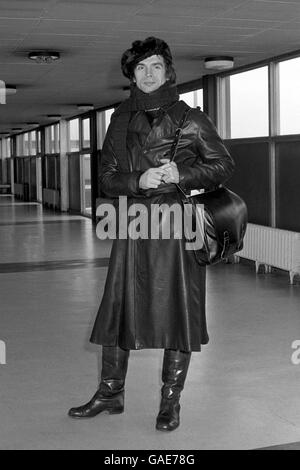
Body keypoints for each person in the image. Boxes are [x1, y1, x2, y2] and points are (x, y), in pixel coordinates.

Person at [68, 37, 235, 431]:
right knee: (118, 309)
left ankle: (170, 402)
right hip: (132, 224)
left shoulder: (190, 118)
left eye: (155, 66)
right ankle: (110, 393)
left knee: (179, 312)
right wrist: (138, 179)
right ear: (132, 74)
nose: (148, 74)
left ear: (168, 71)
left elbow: (223, 166)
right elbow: (107, 179)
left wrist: (184, 173)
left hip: (177, 227)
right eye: (141, 68)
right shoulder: (120, 118)